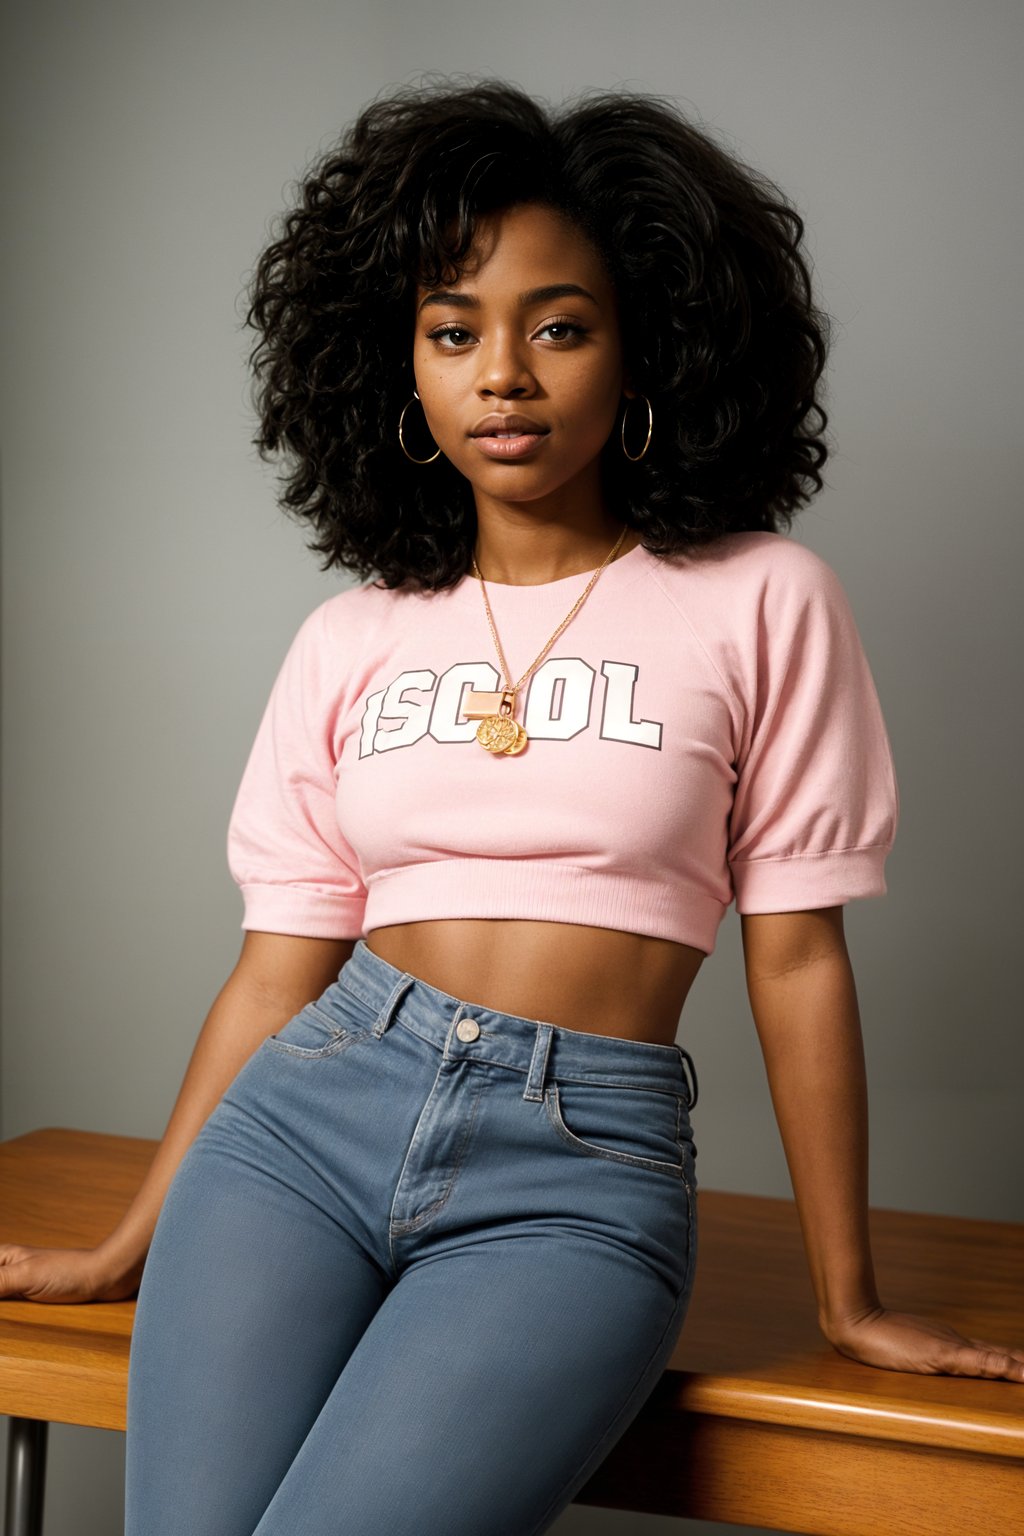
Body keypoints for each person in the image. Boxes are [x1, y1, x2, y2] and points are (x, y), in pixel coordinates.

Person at [3, 78, 1022, 1536]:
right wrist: (126, 1240)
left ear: (645, 347)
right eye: (452, 330)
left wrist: (846, 1296)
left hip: (572, 1176)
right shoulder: (352, 638)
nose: (504, 376)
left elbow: (795, 957)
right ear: (396, 371)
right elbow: (274, 971)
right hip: (304, 1125)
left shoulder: (764, 602)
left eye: (558, 325)